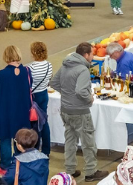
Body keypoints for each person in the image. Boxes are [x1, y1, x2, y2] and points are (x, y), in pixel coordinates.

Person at [50, 42, 107, 182]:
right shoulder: (82, 70)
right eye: (92, 54)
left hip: (65, 110)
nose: (93, 56)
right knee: (88, 142)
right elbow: (81, 91)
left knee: (70, 140)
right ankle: (91, 171)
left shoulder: (65, 65)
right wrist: (89, 99)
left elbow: (54, 83)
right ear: (86, 55)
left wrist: (68, 95)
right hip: (80, 111)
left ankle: (70, 169)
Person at [0, 45, 32, 172]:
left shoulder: (1, 74)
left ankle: (5, 165)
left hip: (6, 111)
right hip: (23, 111)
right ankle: (19, 161)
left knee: (5, 138)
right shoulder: (26, 71)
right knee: (20, 138)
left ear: (6, 57)